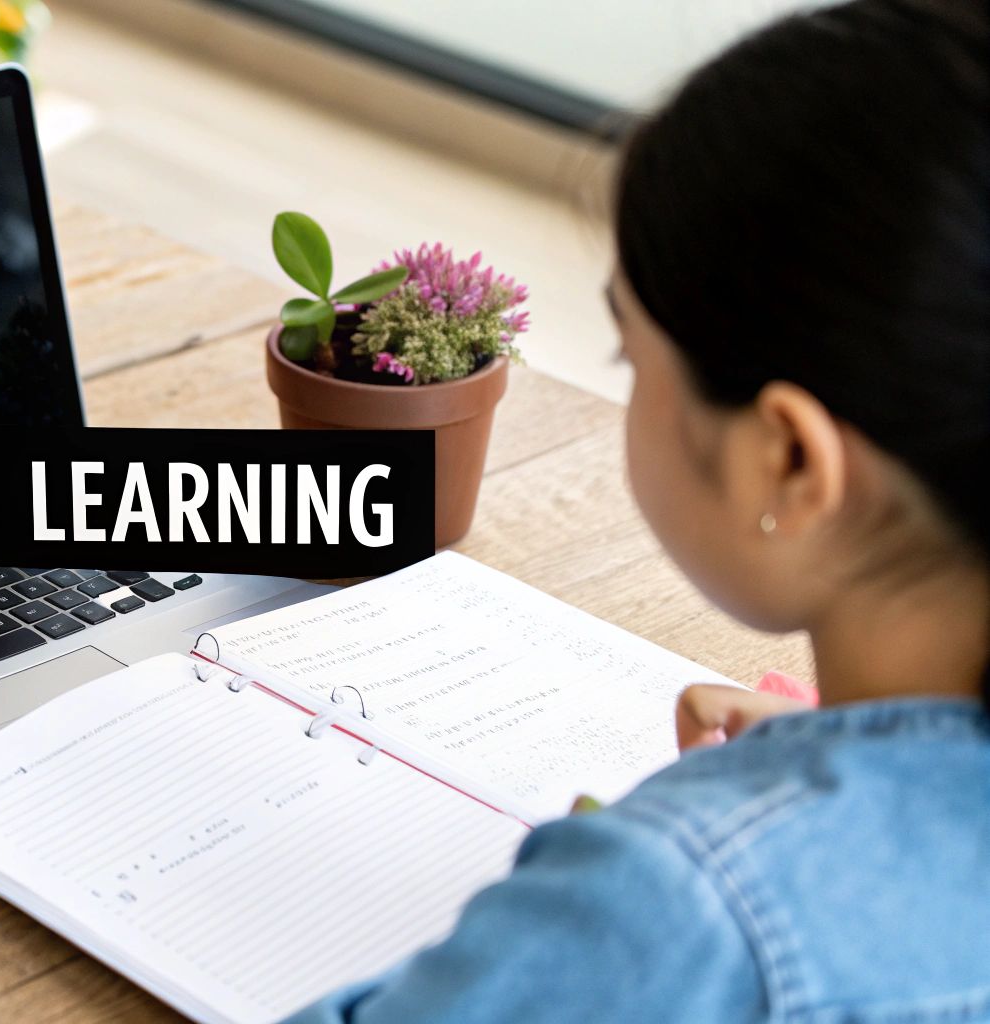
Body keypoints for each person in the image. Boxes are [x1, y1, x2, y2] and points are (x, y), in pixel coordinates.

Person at [289, 1, 988, 1020]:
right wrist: (848, 766)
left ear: (788, 459)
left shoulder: (679, 900)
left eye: (632, 357)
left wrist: (619, 905)